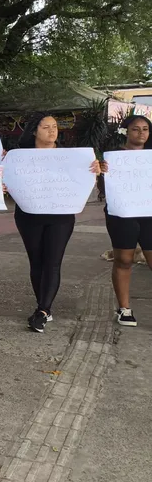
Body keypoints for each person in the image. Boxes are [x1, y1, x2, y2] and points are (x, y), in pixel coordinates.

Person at [12, 113, 105, 333]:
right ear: (34, 130)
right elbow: (5, 177)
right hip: (29, 214)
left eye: (54, 127)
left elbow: (84, 179)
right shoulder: (18, 157)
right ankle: (43, 306)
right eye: (46, 127)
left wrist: (95, 170)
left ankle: (43, 311)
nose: (52, 131)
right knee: (37, 261)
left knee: (53, 262)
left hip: (61, 215)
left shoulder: (71, 157)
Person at [104, 114, 152, 327]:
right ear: (126, 131)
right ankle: (124, 309)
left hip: (149, 213)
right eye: (136, 129)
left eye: (145, 129)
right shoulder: (113, 158)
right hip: (122, 213)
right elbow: (103, 188)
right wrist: (101, 172)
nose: (141, 133)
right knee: (124, 259)